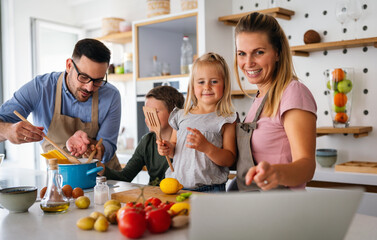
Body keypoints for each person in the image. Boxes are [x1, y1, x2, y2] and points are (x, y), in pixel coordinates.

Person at [0, 38, 121, 170]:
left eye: (98, 80)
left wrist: (91, 147)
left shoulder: (111, 95)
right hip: (60, 180)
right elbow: (3, 120)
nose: (89, 87)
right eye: (84, 77)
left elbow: (107, 146)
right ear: (69, 65)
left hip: (104, 180)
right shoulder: (40, 88)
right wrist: (7, 130)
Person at [231, 12, 317, 191]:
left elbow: (307, 166)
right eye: (242, 53)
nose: (248, 62)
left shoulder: (293, 92)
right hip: (254, 207)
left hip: (281, 208)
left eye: (259, 52)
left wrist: (275, 173)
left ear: (277, 53)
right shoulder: (260, 97)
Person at [157, 52, 237, 192]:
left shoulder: (226, 119)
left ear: (224, 85)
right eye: (201, 82)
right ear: (192, 87)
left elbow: (230, 159)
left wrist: (207, 147)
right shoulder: (181, 115)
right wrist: (167, 148)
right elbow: (174, 149)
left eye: (214, 81)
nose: (207, 87)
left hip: (211, 190)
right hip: (178, 188)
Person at [96, 85, 185, 185]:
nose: (148, 117)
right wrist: (101, 168)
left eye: (155, 112)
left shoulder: (185, 140)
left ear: (174, 113)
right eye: (147, 112)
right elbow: (125, 176)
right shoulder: (147, 141)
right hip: (153, 198)